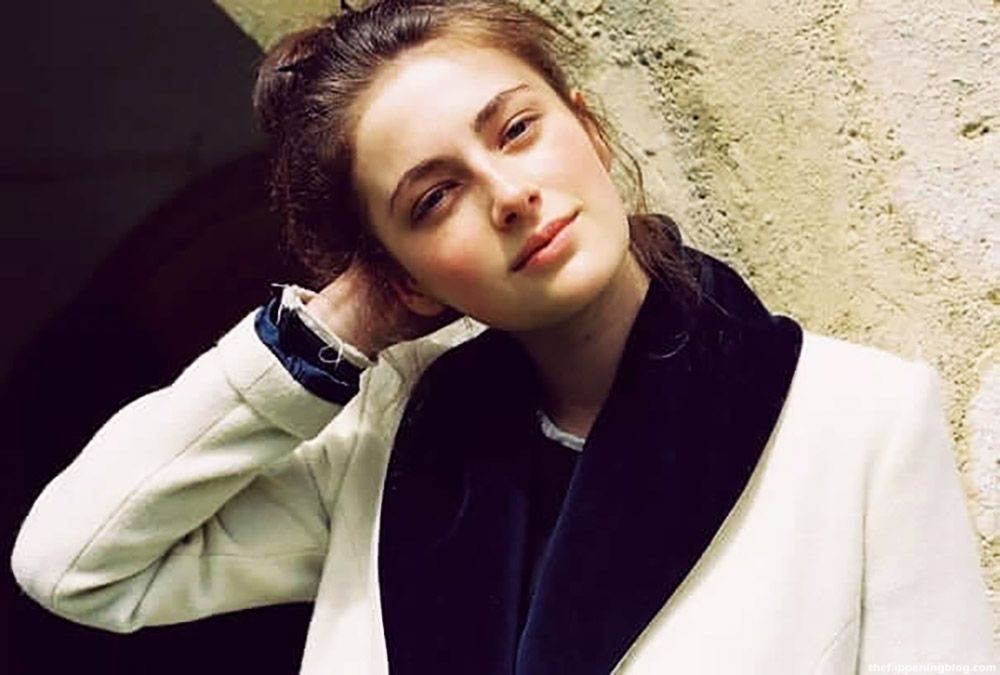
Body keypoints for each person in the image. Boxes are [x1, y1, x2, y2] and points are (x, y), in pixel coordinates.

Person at [11, 0, 996, 672]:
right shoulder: (381, 456)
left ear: (587, 129)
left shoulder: (858, 418)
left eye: (516, 130)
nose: (510, 194)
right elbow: (76, 564)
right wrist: (339, 326)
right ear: (400, 272)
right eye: (434, 198)